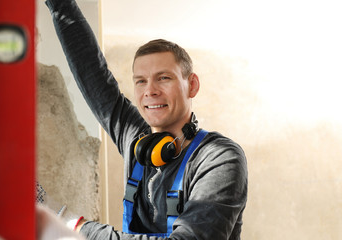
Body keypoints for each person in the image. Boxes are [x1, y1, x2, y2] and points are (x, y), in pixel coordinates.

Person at [44, 0, 248, 239]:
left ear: (192, 85)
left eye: (163, 78)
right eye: (141, 81)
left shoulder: (220, 158)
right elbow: (92, 73)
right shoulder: (136, 140)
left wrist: (70, 222)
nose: (150, 91)